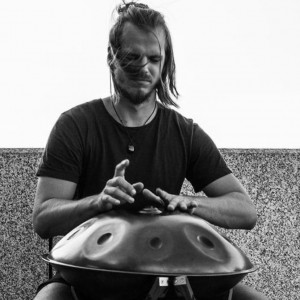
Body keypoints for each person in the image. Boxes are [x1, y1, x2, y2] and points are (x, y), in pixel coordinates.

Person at [32, 2, 268, 300]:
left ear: (164, 61)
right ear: (111, 56)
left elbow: (246, 211)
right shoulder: (75, 125)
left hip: (172, 278)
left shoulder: (184, 132)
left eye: (154, 58)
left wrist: (190, 203)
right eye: (133, 56)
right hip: (91, 279)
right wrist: (98, 202)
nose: (144, 68)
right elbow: (43, 219)